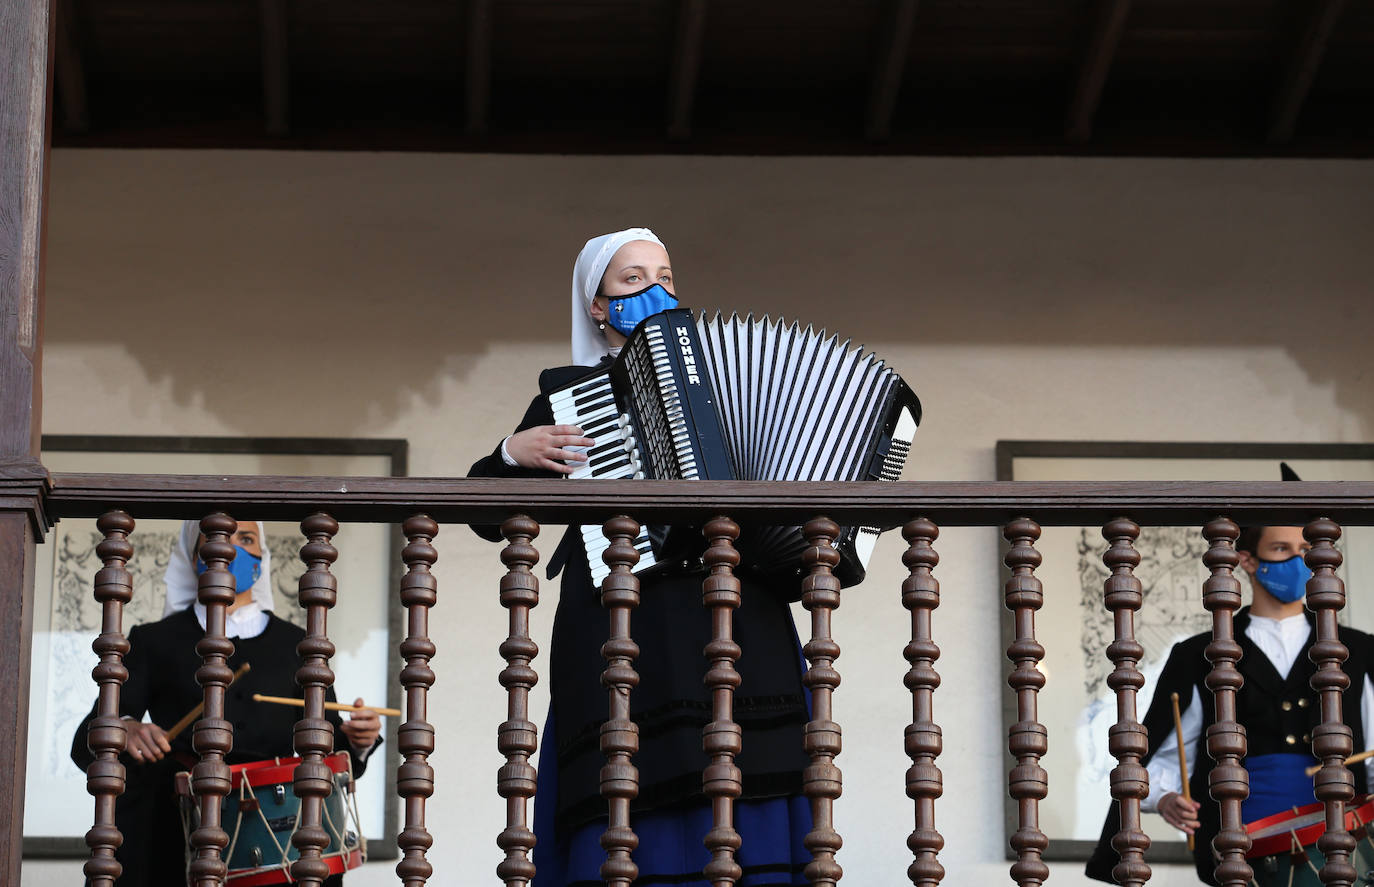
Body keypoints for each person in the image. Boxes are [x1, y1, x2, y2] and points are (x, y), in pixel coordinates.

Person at [468, 228, 813, 886]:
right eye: (631, 279)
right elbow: (489, 517)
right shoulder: (575, 399)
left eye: (665, 275)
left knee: (752, 801)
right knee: (628, 802)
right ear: (598, 306)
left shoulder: (733, 378)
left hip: (738, 624)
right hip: (629, 635)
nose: (653, 289)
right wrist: (512, 453)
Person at [71, 519, 383, 887]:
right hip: (176, 833)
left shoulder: (301, 645)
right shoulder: (154, 640)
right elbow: (85, 746)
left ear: (260, 558)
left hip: (282, 837)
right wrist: (125, 727)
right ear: (193, 558)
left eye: (246, 539)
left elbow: (328, 753)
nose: (230, 549)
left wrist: (359, 741)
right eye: (216, 539)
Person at [1085, 510, 1374, 885]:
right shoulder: (1198, 654)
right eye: (1281, 548)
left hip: (1338, 841)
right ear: (1248, 560)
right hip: (1236, 844)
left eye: (1306, 549)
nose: (1299, 560)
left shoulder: (1359, 650)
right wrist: (1166, 797)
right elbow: (1164, 751)